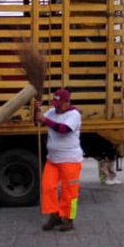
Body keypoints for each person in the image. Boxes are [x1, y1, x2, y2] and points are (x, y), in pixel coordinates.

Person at [35, 89, 84, 231]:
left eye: (59, 104)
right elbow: (38, 122)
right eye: (55, 103)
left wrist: (44, 120)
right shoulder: (51, 112)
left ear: (67, 102)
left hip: (71, 160)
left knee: (70, 192)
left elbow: (63, 129)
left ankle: (69, 219)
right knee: (48, 187)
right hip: (53, 160)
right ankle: (54, 215)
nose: (56, 106)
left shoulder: (74, 115)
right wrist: (36, 110)